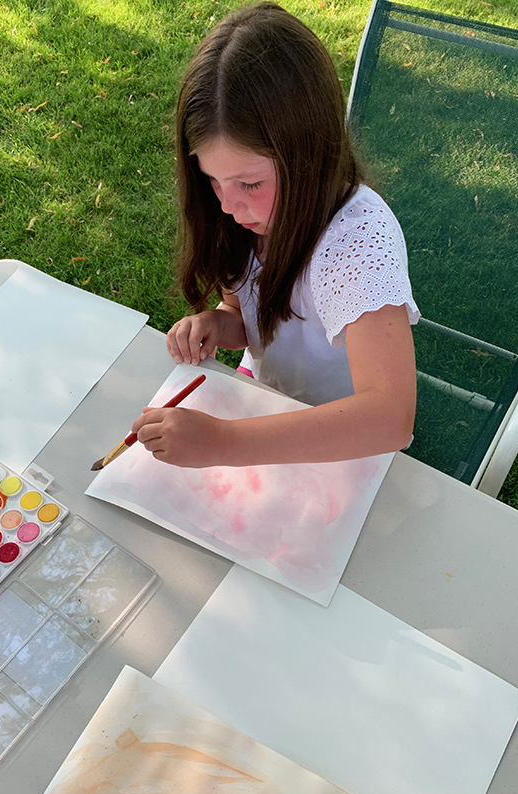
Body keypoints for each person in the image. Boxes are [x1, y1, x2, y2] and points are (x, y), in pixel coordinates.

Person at [133, 2, 419, 468]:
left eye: (248, 183)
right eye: (212, 181)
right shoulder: (241, 217)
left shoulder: (356, 244)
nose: (227, 206)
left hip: (342, 443)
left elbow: (389, 417)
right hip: (268, 403)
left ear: (308, 154)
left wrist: (223, 443)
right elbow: (246, 316)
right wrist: (215, 324)